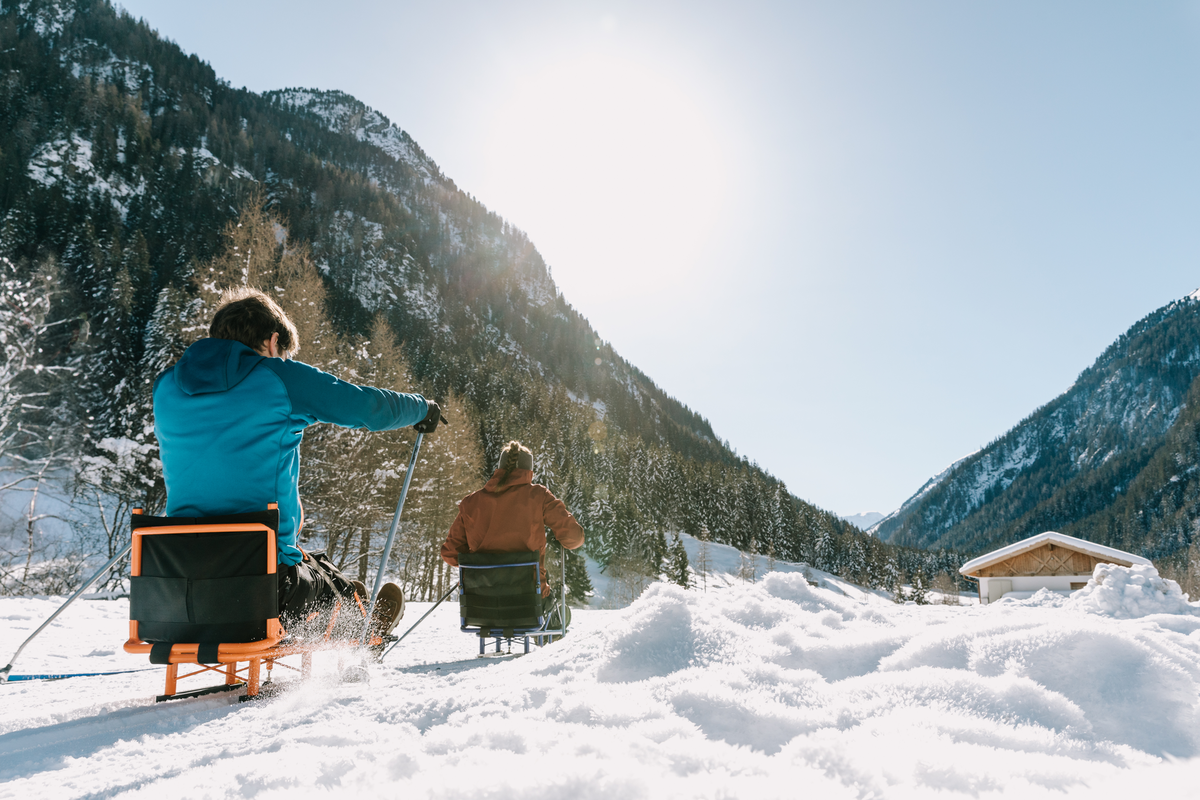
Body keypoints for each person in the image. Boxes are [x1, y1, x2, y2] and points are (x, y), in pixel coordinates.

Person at [153, 287, 442, 642]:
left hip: (176, 589)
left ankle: (351, 602)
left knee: (308, 562)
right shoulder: (277, 376)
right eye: (284, 353)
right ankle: (363, 629)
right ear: (273, 341)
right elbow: (368, 408)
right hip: (261, 592)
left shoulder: (165, 387)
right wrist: (422, 408)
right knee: (322, 580)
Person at [441, 441, 585, 622]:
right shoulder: (538, 496)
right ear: (528, 471)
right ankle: (551, 623)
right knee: (542, 593)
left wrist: (481, 563)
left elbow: (450, 552)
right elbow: (574, 538)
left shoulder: (471, 502)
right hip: (529, 602)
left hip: (480, 605)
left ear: (499, 469)